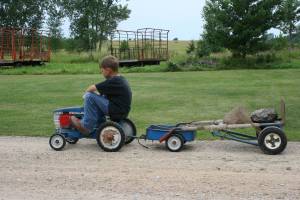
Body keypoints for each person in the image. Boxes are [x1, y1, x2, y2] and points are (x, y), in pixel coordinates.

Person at [70, 56, 132, 136]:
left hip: (116, 111)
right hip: (121, 111)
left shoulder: (113, 81)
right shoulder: (120, 79)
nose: (101, 72)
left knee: (89, 96)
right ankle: (100, 124)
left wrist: (84, 97)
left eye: (102, 70)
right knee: (101, 97)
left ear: (108, 70)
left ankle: (86, 126)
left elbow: (91, 88)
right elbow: (101, 94)